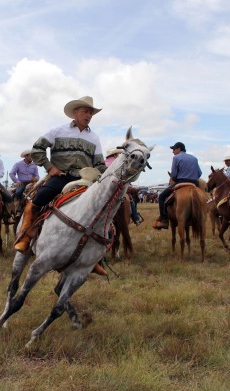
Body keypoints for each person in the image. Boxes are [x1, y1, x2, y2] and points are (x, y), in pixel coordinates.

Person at [14, 95, 108, 275]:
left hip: (84, 181)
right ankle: (25, 236)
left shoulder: (94, 138)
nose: (88, 115)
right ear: (75, 113)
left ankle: (94, 258)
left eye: (90, 112)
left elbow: (99, 163)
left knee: (100, 210)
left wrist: (109, 173)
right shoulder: (58, 130)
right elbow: (37, 148)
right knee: (39, 198)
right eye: (85, 111)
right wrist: (50, 167)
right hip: (62, 177)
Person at [153, 142, 202, 230]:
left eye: (174, 149)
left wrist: (178, 177)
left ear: (179, 149)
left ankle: (164, 220)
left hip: (181, 181)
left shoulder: (176, 158)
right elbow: (199, 173)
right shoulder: (194, 158)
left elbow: (174, 175)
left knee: (161, 196)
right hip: (194, 183)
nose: (173, 152)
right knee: (204, 197)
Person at [105, 147, 143, 225]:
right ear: (115, 154)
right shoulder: (118, 162)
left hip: (105, 186)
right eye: (118, 154)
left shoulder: (104, 162)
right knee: (130, 199)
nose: (119, 155)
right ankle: (135, 217)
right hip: (117, 185)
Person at [9, 149, 40, 219]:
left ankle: (39, 208)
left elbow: (37, 175)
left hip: (32, 183)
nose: (32, 158)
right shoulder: (18, 164)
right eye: (31, 156)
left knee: (41, 191)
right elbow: (11, 174)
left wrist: (36, 178)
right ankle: (18, 210)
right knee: (18, 192)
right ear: (26, 156)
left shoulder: (34, 165)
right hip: (22, 183)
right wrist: (17, 181)